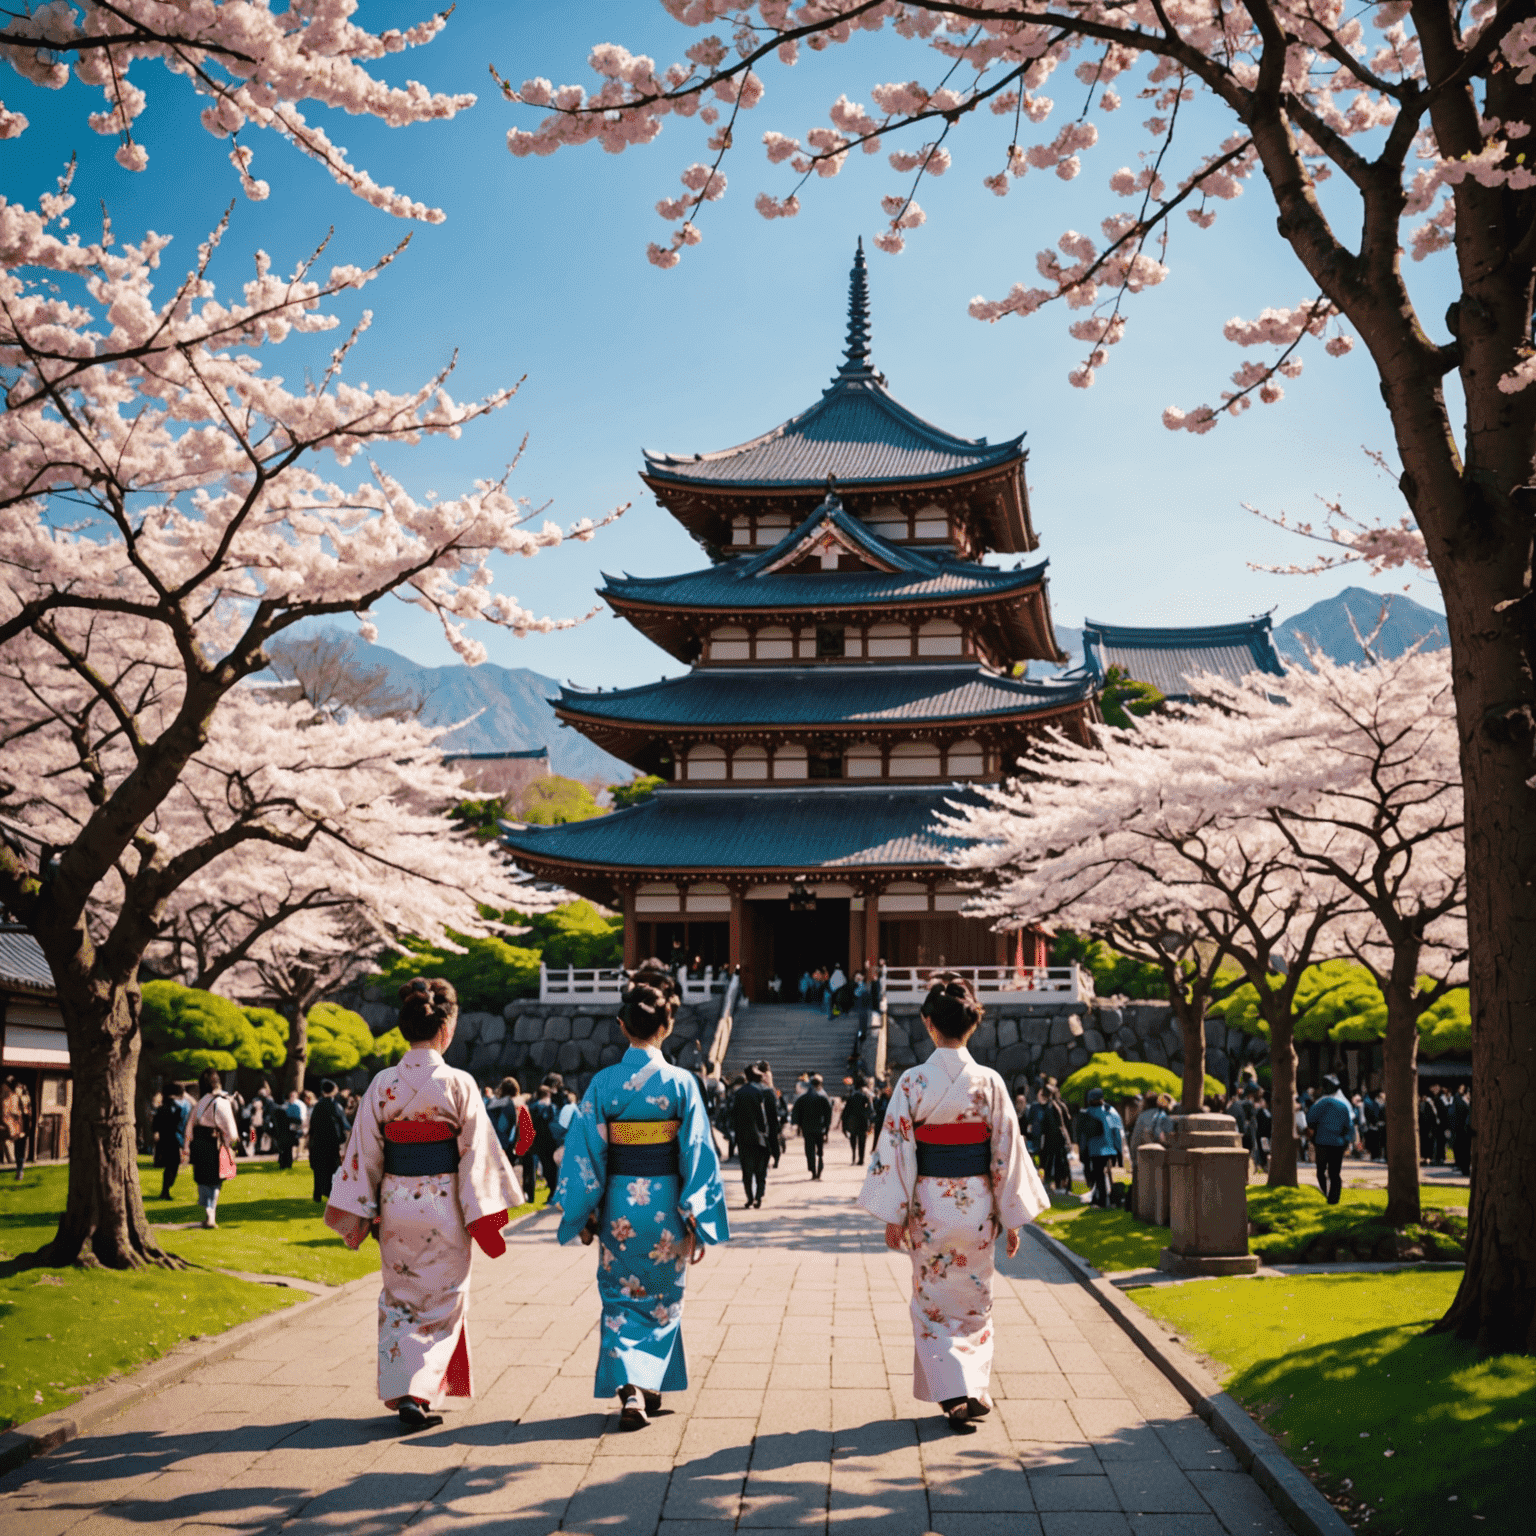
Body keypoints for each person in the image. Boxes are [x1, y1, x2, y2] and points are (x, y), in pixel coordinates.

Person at [324, 977, 521, 1434]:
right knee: (444, 1301)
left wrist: (365, 1209)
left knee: (400, 1297)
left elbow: (363, 1154)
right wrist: (482, 1215)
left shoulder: (381, 1084)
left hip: (396, 1203)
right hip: (444, 1204)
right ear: (446, 1027)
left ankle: (406, 1386)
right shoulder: (459, 1082)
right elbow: (477, 1155)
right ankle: (419, 1390)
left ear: (403, 1028)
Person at [858, 975, 1049, 1431]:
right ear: (973, 1025)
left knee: (932, 1301)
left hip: (929, 1206)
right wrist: (1011, 1216)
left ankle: (954, 1392)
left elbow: (898, 1150)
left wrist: (895, 1214)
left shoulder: (912, 1081)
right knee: (976, 1298)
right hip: (979, 1204)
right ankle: (974, 1387)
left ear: (928, 1023)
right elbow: (1005, 1150)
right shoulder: (990, 1082)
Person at [553, 980, 729, 1429]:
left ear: (621, 1026)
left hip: (619, 1208)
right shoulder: (681, 1082)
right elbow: (697, 1151)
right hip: (666, 1206)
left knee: (619, 1298)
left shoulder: (604, 1083)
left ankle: (631, 1390)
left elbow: (584, 1154)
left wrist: (585, 1212)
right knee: (663, 1298)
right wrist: (696, 1212)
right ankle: (646, 1385)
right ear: (667, 1026)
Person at [185, 1067, 240, 1228]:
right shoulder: (221, 1102)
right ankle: (211, 1213)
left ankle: (208, 1211)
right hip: (214, 1144)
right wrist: (234, 1147)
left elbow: (190, 1126)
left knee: (203, 1180)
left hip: (199, 1143)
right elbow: (230, 1128)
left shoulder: (200, 1102)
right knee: (215, 1181)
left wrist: (186, 1147)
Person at [1305, 1074, 1356, 1205]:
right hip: (1338, 1144)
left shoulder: (1319, 1104)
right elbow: (1349, 1126)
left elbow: (1310, 1120)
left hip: (1322, 1142)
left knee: (1320, 1171)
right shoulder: (1344, 1105)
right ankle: (1334, 1199)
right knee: (1335, 1173)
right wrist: (1346, 1141)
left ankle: (1326, 1193)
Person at [731, 1065, 777, 1208]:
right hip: (763, 1137)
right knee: (761, 1170)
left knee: (747, 1170)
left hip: (744, 1137)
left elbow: (733, 1115)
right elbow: (771, 1118)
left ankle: (749, 1197)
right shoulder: (767, 1092)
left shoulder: (739, 1093)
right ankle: (758, 1197)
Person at [1074, 1087, 1125, 1207]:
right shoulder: (1111, 1111)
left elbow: (1082, 1135)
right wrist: (1119, 1151)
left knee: (1099, 1175)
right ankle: (1116, 1199)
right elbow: (1117, 1132)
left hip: (1095, 1150)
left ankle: (1101, 1200)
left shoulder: (1087, 1113)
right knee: (1113, 1175)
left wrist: (1082, 1152)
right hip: (1111, 1149)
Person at [307, 1079, 353, 1204]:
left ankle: (317, 1194)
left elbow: (312, 1124)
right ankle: (330, 1192)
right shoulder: (336, 1106)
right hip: (332, 1142)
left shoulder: (317, 1106)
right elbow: (344, 1124)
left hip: (318, 1141)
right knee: (333, 1169)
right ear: (334, 1090)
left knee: (319, 1168)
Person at [152, 1081, 192, 1199]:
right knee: (172, 1166)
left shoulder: (164, 1106)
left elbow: (156, 1122)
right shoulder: (179, 1106)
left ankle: (166, 1190)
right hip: (174, 1138)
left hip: (165, 1138)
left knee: (170, 1166)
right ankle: (166, 1190)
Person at [791, 1073, 834, 1180]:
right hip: (820, 1128)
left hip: (807, 1128)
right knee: (819, 1151)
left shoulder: (802, 1098)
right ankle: (819, 1169)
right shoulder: (823, 1098)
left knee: (809, 1150)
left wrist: (797, 1125)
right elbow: (828, 1114)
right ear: (820, 1085)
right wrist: (827, 1127)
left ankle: (813, 1170)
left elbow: (796, 1112)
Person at [1038, 1084, 1073, 1192]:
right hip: (1061, 1138)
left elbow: (1046, 1124)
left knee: (1048, 1162)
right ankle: (1064, 1185)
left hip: (1052, 1139)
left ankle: (1054, 1184)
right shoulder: (1061, 1105)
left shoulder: (1049, 1107)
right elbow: (1068, 1122)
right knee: (1061, 1162)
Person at [0, 1076, 30, 1181]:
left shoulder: (23, 1098)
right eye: (17, 1087)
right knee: (16, 1149)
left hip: (20, 1128)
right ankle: (19, 1170)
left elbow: (27, 1113)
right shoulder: (10, 1097)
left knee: (20, 1150)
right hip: (13, 1127)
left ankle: (20, 1170)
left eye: (20, 1087)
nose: (18, 1089)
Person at [841, 1082, 873, 1165]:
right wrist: (870, 1122)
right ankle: (861, 1159)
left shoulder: (851, 1097)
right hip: (863, 1122)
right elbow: (870, 1110)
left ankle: (854, 1156)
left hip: (853, 1122)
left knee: (853, 1139)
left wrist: (844, 1125)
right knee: (862, 1142)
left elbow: (845, 1112)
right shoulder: (865, 1097)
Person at [1450, 1084, 1472, 1176]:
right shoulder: (1458, 1100)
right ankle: (1464, 1169)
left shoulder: (1465, 1101)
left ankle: (1464, 1168)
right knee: (1464, 1150)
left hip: (1465, 1129)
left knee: (1465, 1150)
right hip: (1462, 1129)